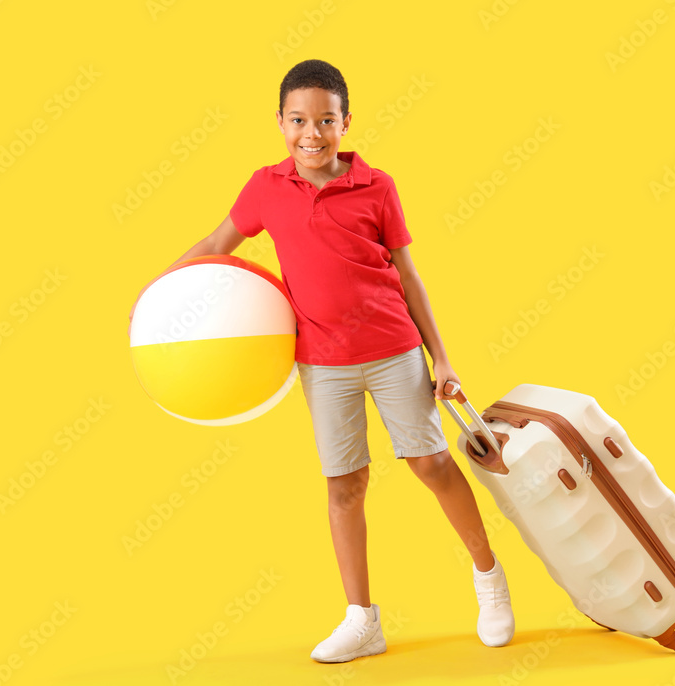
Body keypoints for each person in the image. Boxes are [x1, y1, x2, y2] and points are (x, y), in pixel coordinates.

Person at [130, 59, 515, 663]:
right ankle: (362, 620)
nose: (312, 133)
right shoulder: (264, 187)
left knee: (433, 465)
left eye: (326, 121)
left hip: (392, 351)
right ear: (280, 122)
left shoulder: (377, 186)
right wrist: (156, 298)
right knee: (344, 485)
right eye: (299, 120)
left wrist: (442, 359)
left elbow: (409, 277)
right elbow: (214, 246)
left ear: (345, 123)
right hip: (324, 362)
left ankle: (489, 579)